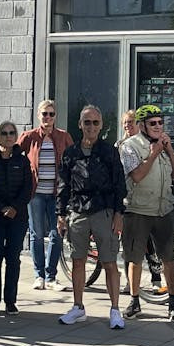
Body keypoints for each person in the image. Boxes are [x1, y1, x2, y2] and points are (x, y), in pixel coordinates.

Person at [56, 105, 128, 329]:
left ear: (101, 126)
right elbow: (63, 185)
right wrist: (61, 214)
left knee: (109, 262)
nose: (91, 127)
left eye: (95, 123)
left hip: (103, 210)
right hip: (78, 210)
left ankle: (115, 309)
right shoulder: (71, 153)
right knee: (78, 260)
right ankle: (78, 307)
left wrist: (119, 213)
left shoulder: (109, 152)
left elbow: (119, 184)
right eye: (87, 122)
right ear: (80, 125)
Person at [119, 105, 174, 322]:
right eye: (152, 123)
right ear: (142, 125)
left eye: (160, 123)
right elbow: (136, 176)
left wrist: (170, 152)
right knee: (135, 258)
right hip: (138, 209)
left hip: (163, 208)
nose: (158, 127)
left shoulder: (164, 145)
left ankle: (173, 303)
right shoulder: (130, 146)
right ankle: (135, 300)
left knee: (168, 258)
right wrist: (154, 153)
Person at [18, 100, 74, 291]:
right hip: (36, 194)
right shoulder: (29, 136)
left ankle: (51, 276)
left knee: (57, 233)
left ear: (55, 116)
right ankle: (38, 275)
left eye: (51, 114)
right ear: (38, 116)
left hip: (56, 194)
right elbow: (15, 156)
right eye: (44, 114)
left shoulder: (64, 137)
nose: (47, 117)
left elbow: (73, 162)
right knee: (36, 234)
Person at [0, 121, 34, 315]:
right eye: (4, 133)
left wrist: (14, 207)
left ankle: (10, 301)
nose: (8, 136)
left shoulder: (22, 161)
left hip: (17, 216)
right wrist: (0, 207)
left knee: (13, 259)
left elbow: (28, 188)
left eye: (12, 133)